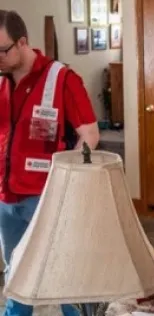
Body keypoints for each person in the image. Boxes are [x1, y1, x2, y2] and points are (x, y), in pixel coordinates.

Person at [0, 10, 99, 316]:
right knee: (18, 276)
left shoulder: (61, 79)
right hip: (6, 201)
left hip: (46, 200)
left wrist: (66, 186)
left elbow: (90, 136)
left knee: (65, 280)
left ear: (23, 42)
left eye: (1, 51)